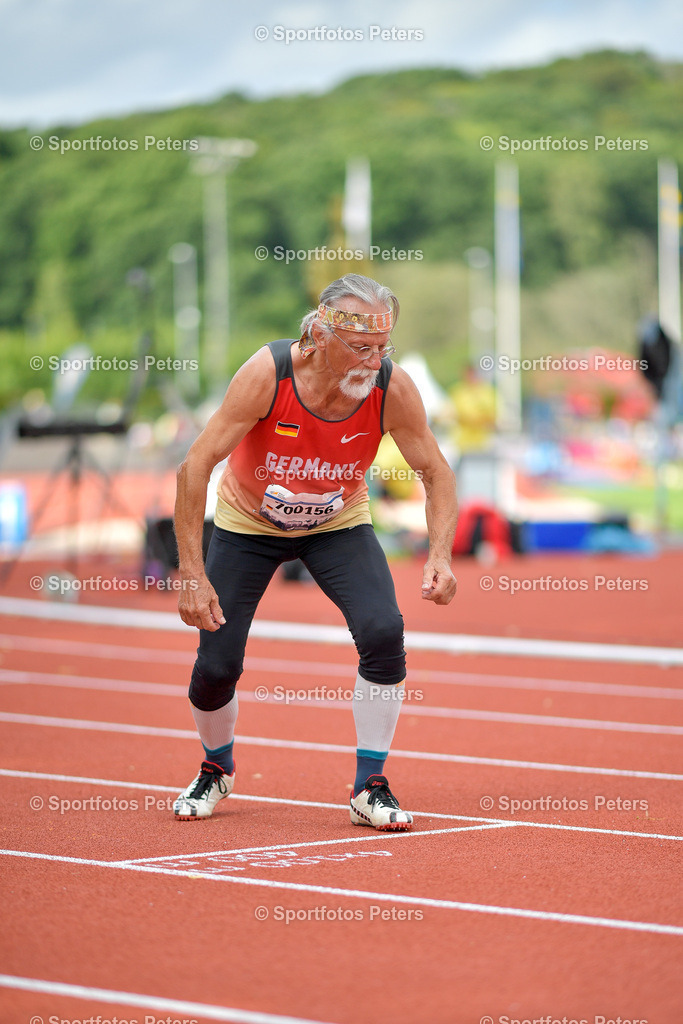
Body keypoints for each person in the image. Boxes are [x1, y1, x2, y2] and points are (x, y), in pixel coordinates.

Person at [173, 273, 458, 830]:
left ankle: (369, 786)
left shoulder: (391, 387)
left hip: (337, 523)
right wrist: (191, 572)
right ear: (320, 336)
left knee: (383, 631)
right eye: (360, 348)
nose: (373, 361)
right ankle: (216, 767)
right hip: (248, 524)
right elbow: (195, 465)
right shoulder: (268, 374)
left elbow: (436, 472)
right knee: (217, 666)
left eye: (382, 348)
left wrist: (440, 556)